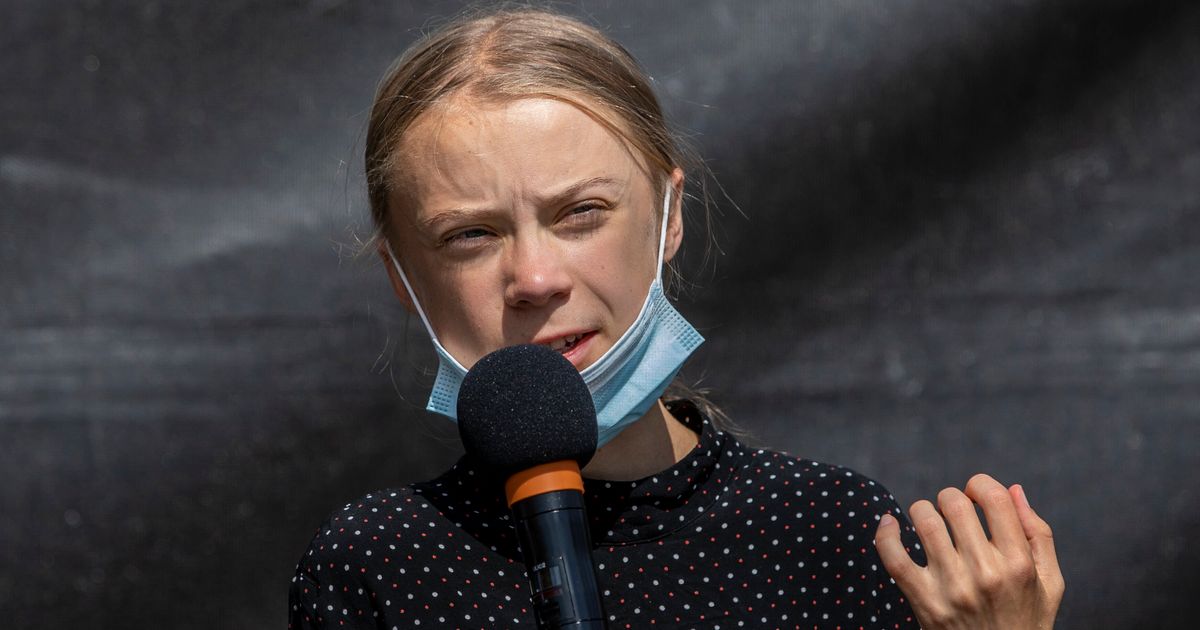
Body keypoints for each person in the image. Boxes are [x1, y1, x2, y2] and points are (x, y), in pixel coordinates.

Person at [289, 7, 1064, 629]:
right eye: (471, 235)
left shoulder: (833, 535)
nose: (534, 277)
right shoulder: (377, 566)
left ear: (669, 218)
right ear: (402, 274)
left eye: (581, 213)